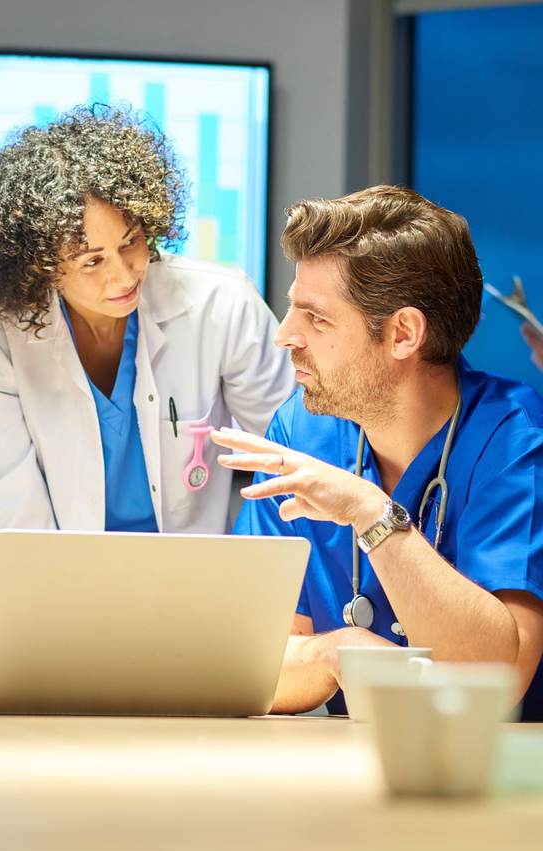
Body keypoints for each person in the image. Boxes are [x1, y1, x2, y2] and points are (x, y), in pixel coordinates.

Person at [217, 185, 543, 719]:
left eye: (315, 318)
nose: (284, 336)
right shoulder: (301, 432)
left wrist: (371, 513)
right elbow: (243, 663)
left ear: (402, 334)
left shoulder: (510, 436)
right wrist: (335, 653)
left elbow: (495, 681)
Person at [0, 105, 294, 603]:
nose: (125, 274)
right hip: (57, 605)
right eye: (92, 261)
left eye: (131, 242)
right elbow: (1, 516)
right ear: (39, 268)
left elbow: (292, 463)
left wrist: (255, 592)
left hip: (200, 594)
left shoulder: (219, 304)